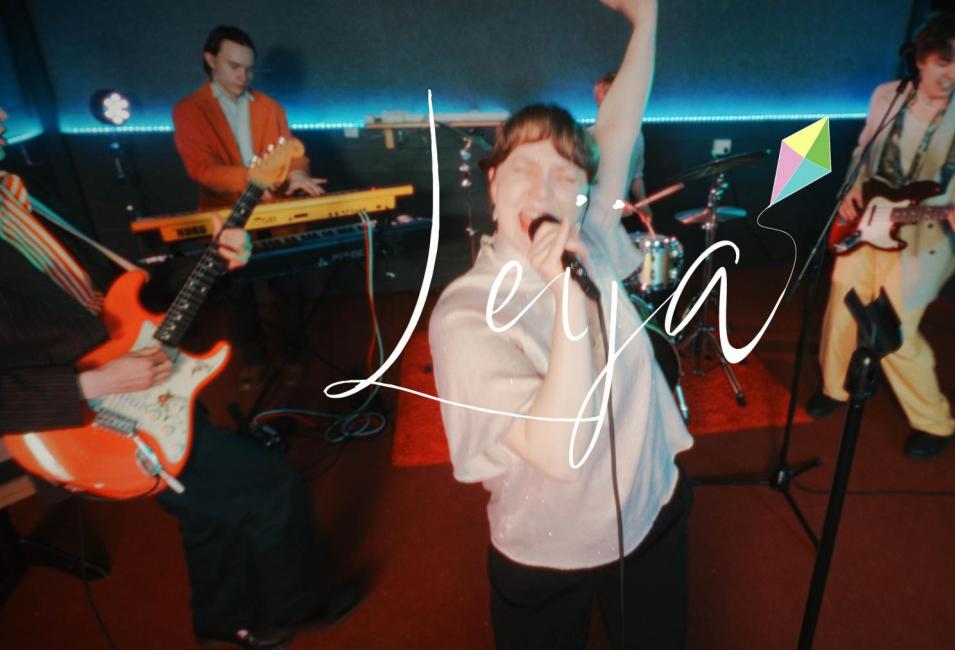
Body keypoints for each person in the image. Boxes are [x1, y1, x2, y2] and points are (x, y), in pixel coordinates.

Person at [0, 107, 358, 648]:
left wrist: (211, 260)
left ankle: (220, 621)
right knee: (273, 488)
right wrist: (95, 384)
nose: (5, 111)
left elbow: (110, 297)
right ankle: (299, 607)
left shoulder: (18, 192)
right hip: (91, 420)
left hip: (142, 379)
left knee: (202, 509)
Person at [429, 1, 693, 647]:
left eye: (565, 174)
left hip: (652, 508)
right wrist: (568, 295)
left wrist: (646, 18)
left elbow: (619, 123)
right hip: (549, 550)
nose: (544, 190)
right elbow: (557, 453)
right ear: (493, 184)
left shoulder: (589, 230)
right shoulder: (466, 313)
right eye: (524, 168)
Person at [806, 12, 955, 460]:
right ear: (920, 59)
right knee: (842, 310)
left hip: (926, 236)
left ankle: (936, 423)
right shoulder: (888, 96)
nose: (951, 75)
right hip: (867, 223)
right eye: (942, 62)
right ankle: (835, 388)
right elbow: (864, 151)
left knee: (892, 332)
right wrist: (852, 189)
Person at [172, 25, 326, 391]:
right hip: (226, 215)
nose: (243, 76)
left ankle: (293, 356)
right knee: (237, 294)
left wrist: (297, 173)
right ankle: (253, 361)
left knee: (288, 287)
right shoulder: (189, 111)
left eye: (249, 69)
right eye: (234, 66)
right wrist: (254, 178)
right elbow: (202, 170)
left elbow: (292, 152)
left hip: (275, 210)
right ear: (210, 60)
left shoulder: (270, 107)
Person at [592, 71, 654, 231]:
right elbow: (584, 187)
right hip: (592, 223)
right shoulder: (588, 137)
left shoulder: (637, 136)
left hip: (620, 222)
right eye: (601, 99)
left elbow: (636, 176)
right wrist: (613, 204)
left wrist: (643, 204)